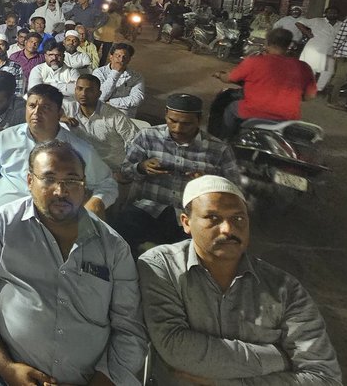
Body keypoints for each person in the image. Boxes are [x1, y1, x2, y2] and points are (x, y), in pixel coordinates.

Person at [0, 140, 148, 386]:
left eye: (71, 180)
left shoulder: (112, 246)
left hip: (87, 378)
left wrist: (102, 381)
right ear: (29, 181)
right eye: (48, 179)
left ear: (84, 185)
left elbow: (129, 328)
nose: (60, 191)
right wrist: (6, 367)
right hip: (1, 367)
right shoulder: (0, 226)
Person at [138, 176, 342, 385]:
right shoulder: (162, 266)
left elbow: (325, 378)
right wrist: (280, 358)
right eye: (213, 218)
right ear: (186, 222)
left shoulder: (285, 289)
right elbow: (176, 348)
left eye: (238, 219)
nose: (228, 229)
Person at [0, 84, 117, 258]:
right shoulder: (6, 137)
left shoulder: (77, 149)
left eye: (46, 107)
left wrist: (97, 201)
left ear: (59, 113)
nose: (36, 112)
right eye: (32, 106)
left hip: (46, 219)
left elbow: (108, 184)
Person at [114, 94, 241, 254]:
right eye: (172, 121)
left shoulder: (218, 149)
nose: (178, 129)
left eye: (186, 124)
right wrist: (141, 167)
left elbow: (234, 192)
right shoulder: (148, 136)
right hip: (149, 208)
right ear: (166, 113)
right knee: (117, 239)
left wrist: (208, 184)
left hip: (191, 216)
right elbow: (124, 172)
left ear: (199, 119)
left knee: (200, 252)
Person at [213, 29, 317, 132]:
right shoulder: (303, 67)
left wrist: (220, 75)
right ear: (289, 44)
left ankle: (225, 140)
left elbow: (230, 78)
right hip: (288, 118)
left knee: (230, 109)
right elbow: (310, 96)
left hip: (253, 112)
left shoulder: (254, 61)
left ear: (267, 43)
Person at [62, 74, 138, 175]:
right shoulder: (69, 109)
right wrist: (59, 118)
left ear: (99, 94)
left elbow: (138, 142)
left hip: (111, 171)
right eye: (79, 89)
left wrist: (128, 169)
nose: (83, 93)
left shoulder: (115, 117)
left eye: (89, 90)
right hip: (81, 169)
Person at [92, 43, 147, 118]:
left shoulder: (136, 77)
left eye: (125, 57)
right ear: (111, 57)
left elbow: (137, 99)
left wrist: (111, 102)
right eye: (118, 56)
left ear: (129, 60)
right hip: (101, 112)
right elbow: (101, 96)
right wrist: (115, 72)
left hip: (124, 114)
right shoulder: (99, 72)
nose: (121, 60)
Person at [296, 7, 341, 93]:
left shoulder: (341, 24)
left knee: (329, 71)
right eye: (330, 12)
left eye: (335, 12)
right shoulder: (317, 21)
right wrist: (308, 34)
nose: (332, 14)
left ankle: (318, 89)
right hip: (314, 49)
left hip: (330, 51)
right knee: (311, 70)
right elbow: (299, 23)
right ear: (325, 13)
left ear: (338, 14)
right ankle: (307, 89)